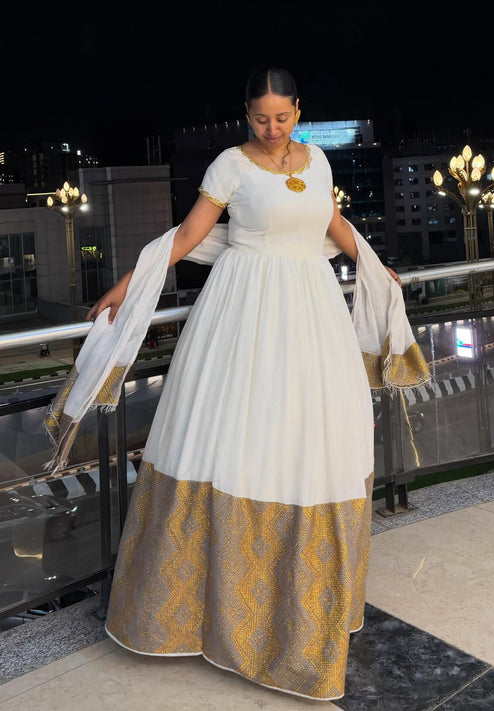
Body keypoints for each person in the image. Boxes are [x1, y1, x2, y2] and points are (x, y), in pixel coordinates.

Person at [45, 67, 430, 700]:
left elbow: (332, 224)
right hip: (243, 311)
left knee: (310, 441)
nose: (272, 128)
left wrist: (372, 262)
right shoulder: (229, 164)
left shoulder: (319, 161)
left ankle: (299, 610)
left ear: (298, 110)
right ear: (245, 115)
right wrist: (126, 285)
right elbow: (190, 236)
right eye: (260, 118)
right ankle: (200, 612)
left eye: (282, 117)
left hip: (312, 312)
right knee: (231, 434)